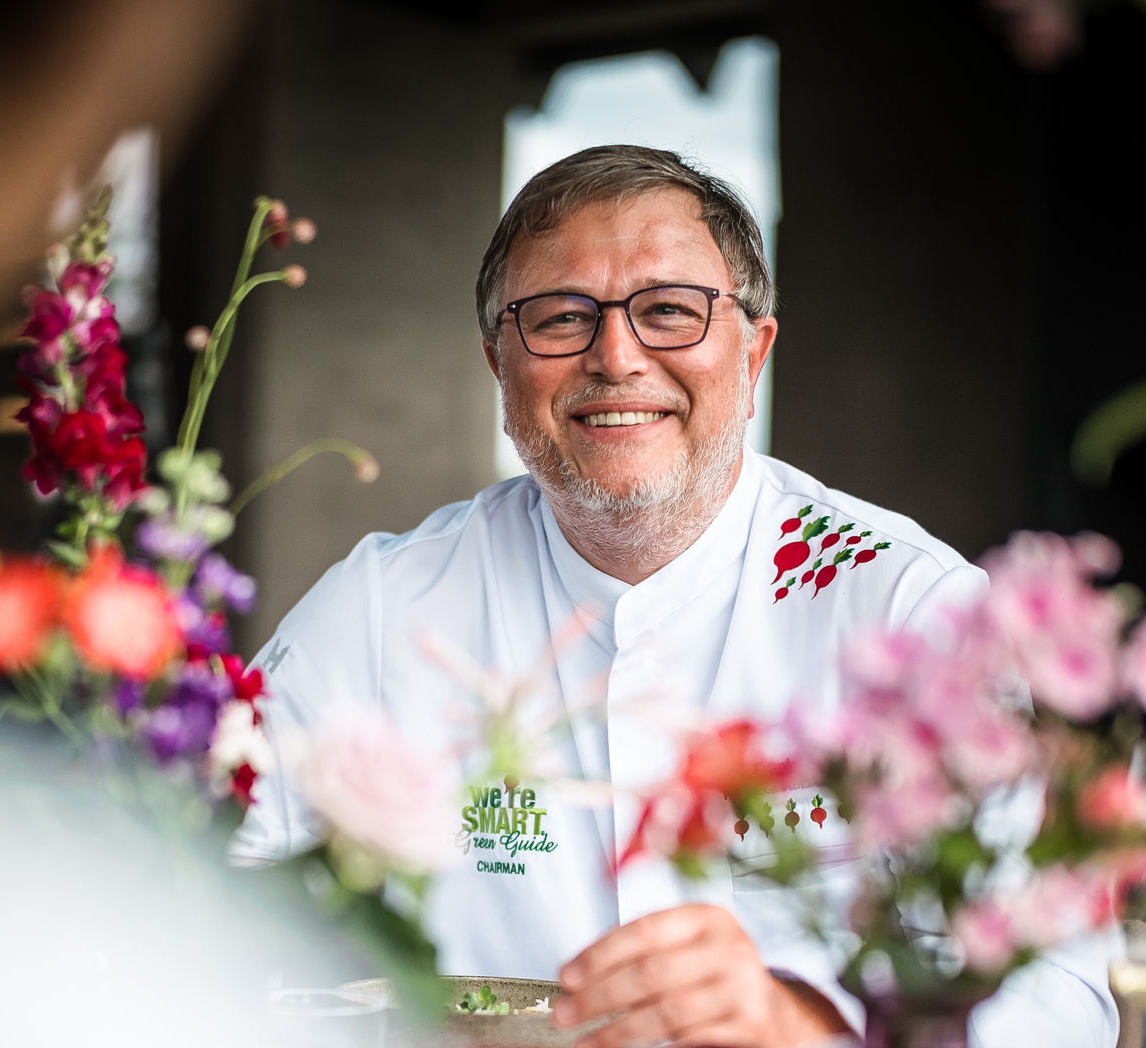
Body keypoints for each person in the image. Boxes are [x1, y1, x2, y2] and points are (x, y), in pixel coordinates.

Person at [233, 145, 1117, 1046]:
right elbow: (197, 879)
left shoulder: (906, 609)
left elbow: (1061, 997)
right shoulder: (386, 605)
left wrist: (806, 1027)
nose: (615, 357)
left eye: (668, 311)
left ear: (753, 352)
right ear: (499, 364)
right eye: (559, 318)